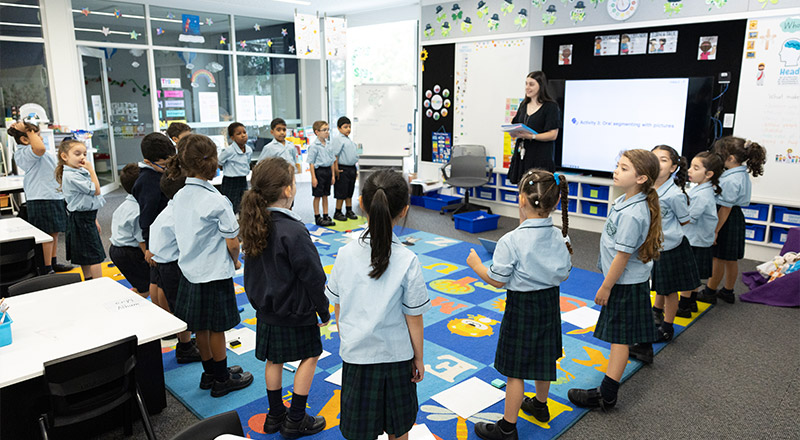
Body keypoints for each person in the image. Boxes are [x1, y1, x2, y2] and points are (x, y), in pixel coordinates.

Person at [466, 169, 572, 440]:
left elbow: (497, 280)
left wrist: (477, 266)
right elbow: (564, 272)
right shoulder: (560, 236)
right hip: (549, 304)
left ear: (521, 200)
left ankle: (507, 427)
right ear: (556, 203)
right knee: (543, 359)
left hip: (522, 307)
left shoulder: (510, 240)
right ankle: (539, 405)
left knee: (515, 371)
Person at [326, 170, 430, 440]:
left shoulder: (345, 254)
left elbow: (338, 309)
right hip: (397, 360)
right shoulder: (408, 259)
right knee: (399, 429)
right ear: (405, 210)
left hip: (357, 359)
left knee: (361, 432)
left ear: (361, 203)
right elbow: (414, 318)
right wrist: (418, 357)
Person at [241, 157, 330, 438]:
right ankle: (295, 419)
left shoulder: (255, 222)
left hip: (266, 310)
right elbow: (313, 276)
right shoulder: (293, 230)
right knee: (311, 355)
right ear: (289, 191)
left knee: (274, 360)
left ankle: (274, 415)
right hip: (296, 310)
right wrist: (324, 310)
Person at [568, 149, 662, 410]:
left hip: (624, 283)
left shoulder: (634, 213)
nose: (615, 172)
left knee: (619, 339)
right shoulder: (625, 201)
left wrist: (606, 286)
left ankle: (607, 394)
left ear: (641, 178)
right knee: (623, 332)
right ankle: (642, 349)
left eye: (623, 168)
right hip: (627, 280)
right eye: (617, 166)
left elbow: (622, 256)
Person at [166, 134, 254, 397]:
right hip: (214, 274)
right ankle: (222, 379)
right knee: (217, 328)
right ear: (214, 163)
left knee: (201, 327)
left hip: (189, 272)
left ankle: (210, 373)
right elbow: (233, 242)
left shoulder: (179, 195)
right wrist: (236, 260)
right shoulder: (218, 200)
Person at [629, 146, 699, 363]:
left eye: (664, 160)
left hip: (670, 246)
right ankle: (657, 313)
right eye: (655, 158)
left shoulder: (675, 194)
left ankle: (667, 327)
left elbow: (685, 220)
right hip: (654, 246)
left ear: (674, 167)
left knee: (669, 289)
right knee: (659, 283)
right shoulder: (646, 187)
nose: (658, 163)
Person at [698, 137, 767, 305]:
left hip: (725, 219)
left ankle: (710, 291)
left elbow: (725, 208)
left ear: (730, 159)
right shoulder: (740, 174)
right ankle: (728, 291)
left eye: (720, 155)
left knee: (718, 258)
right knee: (730, 259)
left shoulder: (730, 179)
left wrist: (715, 231)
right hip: (735, 217)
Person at [149, 174, 202, 364]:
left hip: (163, 263)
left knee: (176, 304)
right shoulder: (178, 215)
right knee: (182, 307)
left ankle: (184, 341)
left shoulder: (167, 211)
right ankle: (185, 347)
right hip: (173, 266)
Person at [8, 122, 72, 273]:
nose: (41, 138)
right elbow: (40, 148)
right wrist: (28, 130)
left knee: (54, 232)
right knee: (46, 235)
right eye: (37, 135)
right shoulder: (24, 153)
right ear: (25, 139)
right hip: (41, 198)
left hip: (52, 196)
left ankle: (53, 262)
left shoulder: (34, 152)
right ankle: (46, 267)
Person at [677, 152, 724, 318]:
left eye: (695, 168)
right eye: (690, 166)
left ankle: (683, 306)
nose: (690, 170)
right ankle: (691, 302)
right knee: (694, 275)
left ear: (709, 174)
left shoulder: (702, 195)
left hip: (694, 241)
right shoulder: (702, 189)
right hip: (698, 240)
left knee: (688, 276)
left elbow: (689, 218)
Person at [133, 132, 175, 307]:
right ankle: (166, 317)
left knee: (158, 278)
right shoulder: (148, 181)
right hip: (156, 237)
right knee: (159, 280)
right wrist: (149, 246)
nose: (168, 168)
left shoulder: (157, 175)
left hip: (163, 233)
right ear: (149, 162)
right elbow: (147, 216)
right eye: (165, 165)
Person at [55, 139, 106, 281]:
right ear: (65, 157)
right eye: (77, 154)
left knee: (85, 253)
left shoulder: (76, 172)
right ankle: (99, 284)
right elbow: (96, 190)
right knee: (94, 255)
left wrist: (94, 219)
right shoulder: (72, 175)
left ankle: (89, 280)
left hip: (85, 216)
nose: (82, 157)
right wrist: (91, 170)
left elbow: (87, 200)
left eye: (84, 153)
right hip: (81, 218)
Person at [507, 71, 562, 184]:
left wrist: (531, 136)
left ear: (541, 86)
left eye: (531, 84)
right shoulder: (523, 105)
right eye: (526, 84)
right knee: (523, 191)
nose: (527, 87)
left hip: (540, 156)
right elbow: (515, 124)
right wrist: (513, 132)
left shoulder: (551, 107)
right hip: (522, 155)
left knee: (538, 191)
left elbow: (553, 134)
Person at [108, 163, 149, 295]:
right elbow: (141, 241)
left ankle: (135, 292)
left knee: (138, 281)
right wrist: (151, 261)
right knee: (148, 285)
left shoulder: (124, 205)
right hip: (129, 253)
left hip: (115, 249)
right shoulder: (138, 210)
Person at [330, 116, 360, 221]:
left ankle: (349, 210)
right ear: (339, 128)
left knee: (349, 191)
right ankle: (337, 211)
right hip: (342, 168)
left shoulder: (349, 141)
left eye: (349, 127)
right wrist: (336, 169)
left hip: (351, 168)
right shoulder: (338, 139)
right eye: (345, 127)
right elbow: (335, 155)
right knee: (341, 192)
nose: (348, 129)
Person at [218, 122, 252, 213]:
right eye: (239, 134)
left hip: (243, 179)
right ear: (232, 138)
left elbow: (247, 162)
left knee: (243, 204)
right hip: (230, 180)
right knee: (230, 205)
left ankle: (243, 224)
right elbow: (219, 162)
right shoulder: (229, 151)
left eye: (244, 132)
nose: (243, 135)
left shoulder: (249, 150)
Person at [307, 120, 336, 226]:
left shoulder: (329, 145)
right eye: (324, 130)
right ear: (317, 132)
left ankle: (325, 214)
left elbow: (332, 161)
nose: (327, 132)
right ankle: (317, 216)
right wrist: (313, 178)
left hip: (328, 171)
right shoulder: (314, 146)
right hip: (319, 172)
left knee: (325, 195)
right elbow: (311, 163)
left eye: (328, 129)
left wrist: (333, 175)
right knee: (317, 195)